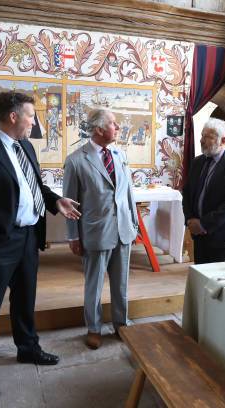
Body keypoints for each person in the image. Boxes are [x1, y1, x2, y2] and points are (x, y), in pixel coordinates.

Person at [0, 92, 81, 399]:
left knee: (25, 299)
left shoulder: (25, 147)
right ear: (13, 117)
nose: (33, 122)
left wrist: (55, 201)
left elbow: (35, 185)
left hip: (27, 237)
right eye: (30, 116)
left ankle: (28, 348)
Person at [63, 108, 139, 351]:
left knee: (121, 283)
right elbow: (70, 204)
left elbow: (128, 193)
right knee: (93, 285)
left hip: (123, 230)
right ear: (99, 129)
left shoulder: (120, 154)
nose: (118, 127)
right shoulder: (76, 160)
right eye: (114, 124)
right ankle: (94, 328)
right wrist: (73, 235)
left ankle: (121, 323)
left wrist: (134, 223)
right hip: (95, 232)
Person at [182, 118, 225, 264]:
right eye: (202, 135)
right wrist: (190, 220)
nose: (201, 140)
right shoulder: (197, 162)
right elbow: (187, 193)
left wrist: (203, 224)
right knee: (203, 282)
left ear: (223, 140)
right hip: (200, 237)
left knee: (224, 284)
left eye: (208, 137)